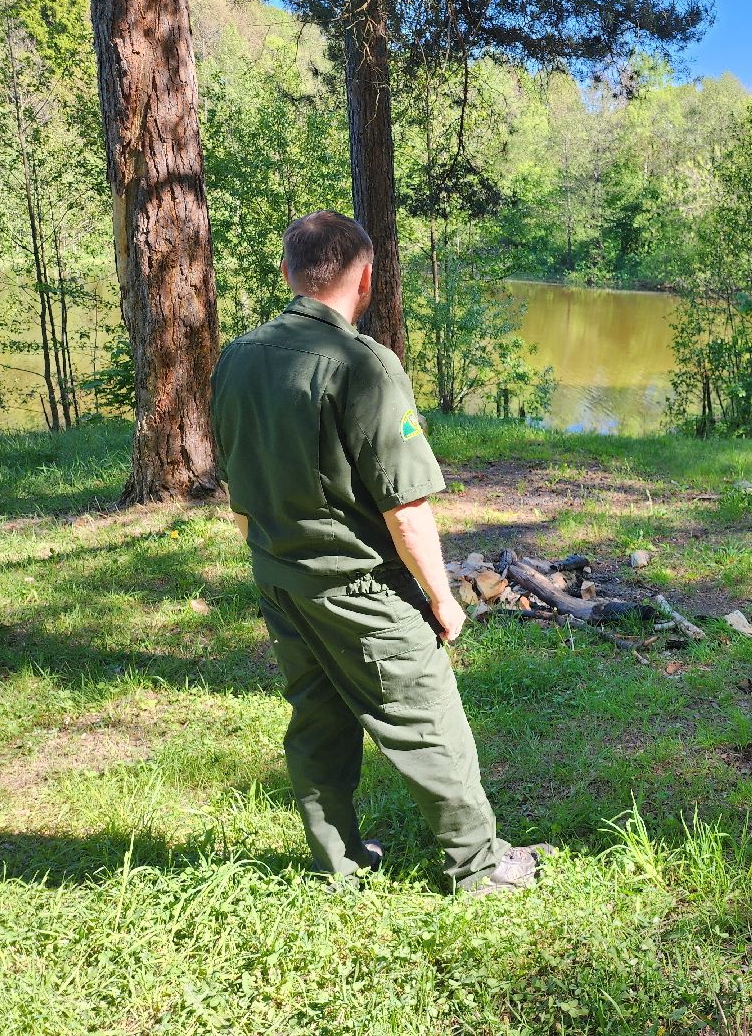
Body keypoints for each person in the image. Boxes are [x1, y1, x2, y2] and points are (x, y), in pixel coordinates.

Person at [211, 210, 551, 895]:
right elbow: (406, 509)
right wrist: (442, 601)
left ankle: (339, 862)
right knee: (429, 717)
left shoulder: (238, 356)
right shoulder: (363, 365)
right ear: (365, 279)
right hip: (360, 587)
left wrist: (271, 556)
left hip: (280, 578)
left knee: (317, 719)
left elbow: (236, 481)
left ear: (289, 273)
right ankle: (479, 867)